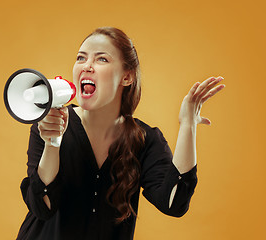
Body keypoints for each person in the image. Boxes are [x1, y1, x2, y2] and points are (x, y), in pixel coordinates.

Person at [16, 27, 225, 240]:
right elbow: (42, 208)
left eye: (101, 59)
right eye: (81, 57)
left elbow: (174, 204)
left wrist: (188, 125)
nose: (86, 66)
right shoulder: (47, 126)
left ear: (127, 77)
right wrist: (52, 143)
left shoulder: (145, 139)